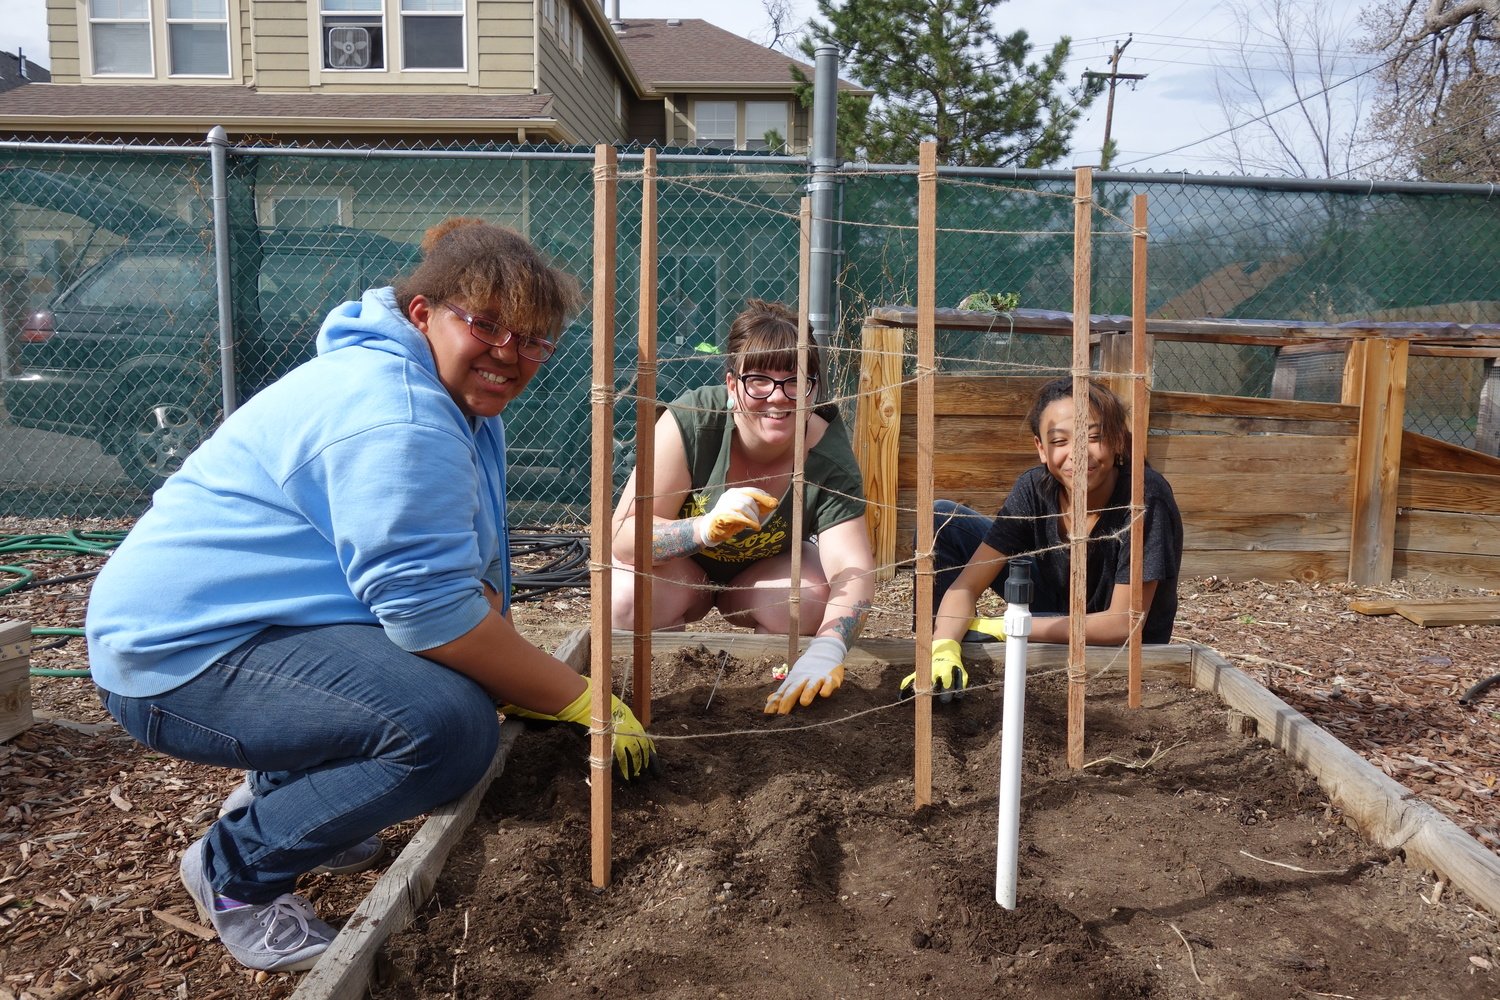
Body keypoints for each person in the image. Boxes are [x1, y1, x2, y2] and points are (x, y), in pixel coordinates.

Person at [84, 219, 656, 975]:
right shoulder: (399, 414)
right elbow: (431, 615)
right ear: (424, 313)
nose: (510, 354)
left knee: (458, 682)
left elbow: (457, 578)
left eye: (533, 340)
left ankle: (294, 801)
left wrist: (518, 674)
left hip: (258, 624)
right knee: (448, 732)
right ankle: (235, 873)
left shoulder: (443, 394)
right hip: (176, 658)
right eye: (486, 325)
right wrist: (577, 696)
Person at [610, 298, 876, 716]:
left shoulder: (826, 454)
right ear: (732, 384)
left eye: (795, 380)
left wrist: (829, 647)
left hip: (758, 578)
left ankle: (768, 679)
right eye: (759, 381)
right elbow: (623, 538)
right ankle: (660, 673)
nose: (778, 397)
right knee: (625, 596)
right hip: (681, 571)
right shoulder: (692, 421)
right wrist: (702, 529)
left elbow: (853, 568)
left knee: (810, 599)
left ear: (814, 386)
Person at [902, 376, 1183, 699]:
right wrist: (944, 646)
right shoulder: (1035, 488)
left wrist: (1010, 627)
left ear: (1118, 439)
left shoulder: (1145, 497)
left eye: (1093, 437)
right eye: (1060, 442)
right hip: (1054, 612)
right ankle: (943, 669)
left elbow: (1124, 623)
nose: (1078, 454)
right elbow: (967, 585)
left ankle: (975, 639)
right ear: (1041, 448)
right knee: (942, 520)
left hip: (1120, 649)